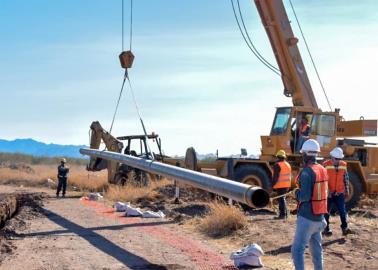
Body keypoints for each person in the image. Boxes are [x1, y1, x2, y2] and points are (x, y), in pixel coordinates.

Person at [291, 139, 328, 270]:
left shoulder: (307, 172)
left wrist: (296, 193)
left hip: (307, 218)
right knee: (317, 252)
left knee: (297, 250)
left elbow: (305, 196)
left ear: (306, 154)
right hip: (319, 218)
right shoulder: (322, 169)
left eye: (303, 154)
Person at [323, 147, 352, 236]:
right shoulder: (325, 165)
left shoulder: (343, 165)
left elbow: (346, 178)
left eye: (339, 159)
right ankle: (326, 229)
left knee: (342, 211)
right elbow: (323, 179)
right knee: (326, 212)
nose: (338, 160)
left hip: (339, 193)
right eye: (336, 159)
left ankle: (345, 228)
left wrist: (346, 190)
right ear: (332, 157)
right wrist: (327, 191)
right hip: (329, 194)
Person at [272, 150, 291, 219]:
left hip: (280, 185)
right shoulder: (288, 164)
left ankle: (282, 215)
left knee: (281, 199)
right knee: (283, 199)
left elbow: (275, 177)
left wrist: (272, 185)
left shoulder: (277, 165)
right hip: (287, 185)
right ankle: (285, 214)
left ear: (278, 157)